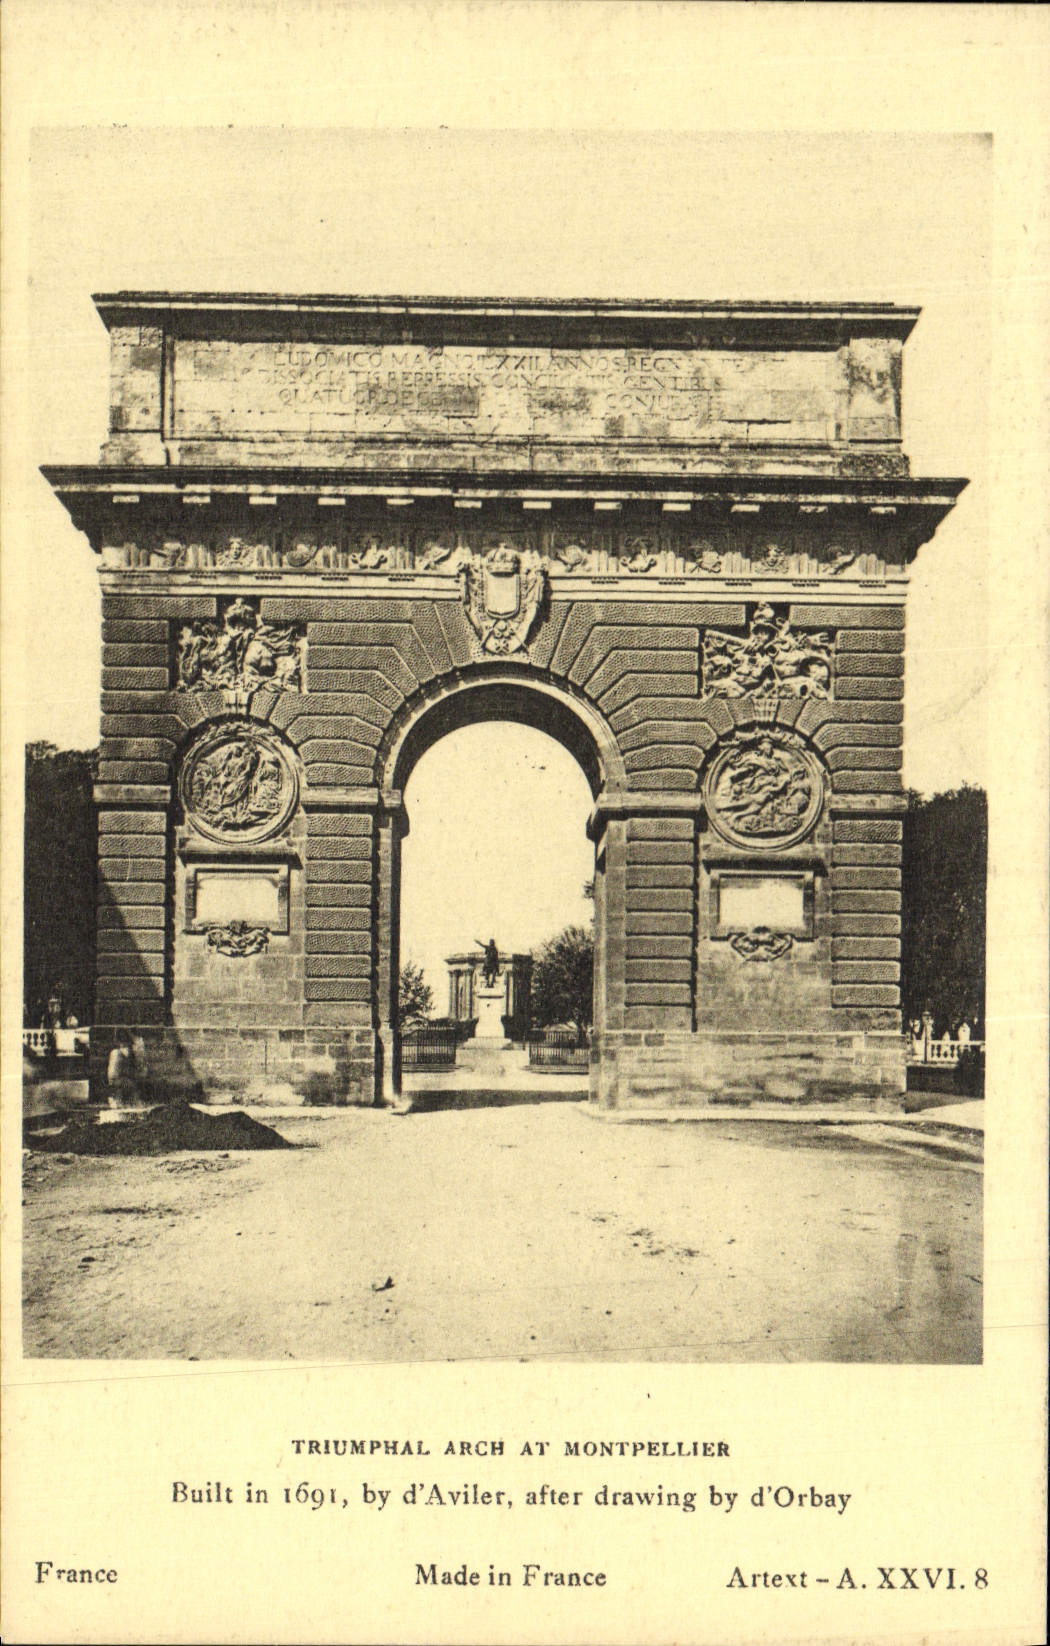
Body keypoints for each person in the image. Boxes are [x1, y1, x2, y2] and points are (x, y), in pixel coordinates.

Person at [106, 1030, 138, 1108]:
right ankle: (130, 1102)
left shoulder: (114, 1052)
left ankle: (115, 1100)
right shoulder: (124, 1052)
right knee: (132, 1085)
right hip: (119, 1080)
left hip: (112, 1081)